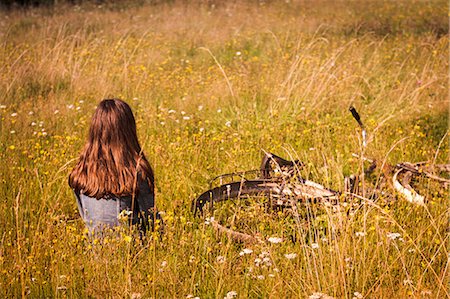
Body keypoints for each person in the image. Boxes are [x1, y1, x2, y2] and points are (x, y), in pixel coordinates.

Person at [69, 98, 157, 235]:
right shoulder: (136, 171)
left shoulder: (81, 172)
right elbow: (151, 221)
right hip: (130, 250)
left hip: (96, 251)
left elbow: (87, 218)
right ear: (129, 130)